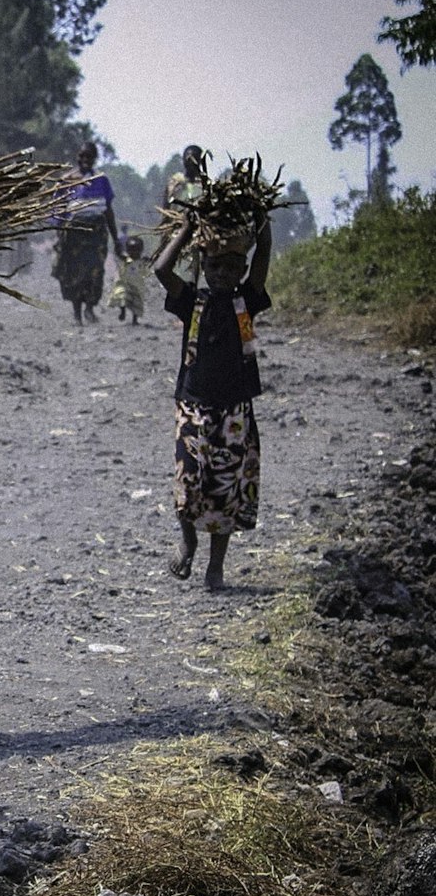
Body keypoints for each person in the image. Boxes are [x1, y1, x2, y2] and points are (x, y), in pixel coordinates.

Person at [151, 209, 272, 590]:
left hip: (235, 408)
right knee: (189, 480)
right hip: (194, 404)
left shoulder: (247, 302)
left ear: (242, 270)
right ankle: (188, 541)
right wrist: (186, 230)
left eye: (231, 268)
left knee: (228, 488)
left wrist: (262, 226)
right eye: (215, 267)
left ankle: (215, 566)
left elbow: (263, 257)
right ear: (203, 266)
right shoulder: (192, 300)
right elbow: (161, 270)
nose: (222, 275)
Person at [50, 140, 124, 325]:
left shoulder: (101, 181)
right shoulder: (67, 180)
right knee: (74, 273)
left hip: (96, 234)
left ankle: (90, 308)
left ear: (95, 158)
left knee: (95, 272)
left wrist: (116, 239)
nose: (85, 159)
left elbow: (108, 210)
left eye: (89, 156)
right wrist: (59, 235)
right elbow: (59, 210)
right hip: (74, 233)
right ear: (77, 156)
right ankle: (77, 314)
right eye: (82, 155)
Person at [164, 144, 205, 284]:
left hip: (199, 232)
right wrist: (165, 237)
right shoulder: (175, 182)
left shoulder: (204, 184)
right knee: (176, 264)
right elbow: (167, 210)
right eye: (187, 159)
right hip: (177, 230)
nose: (190, 162)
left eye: (194, 159)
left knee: (195, 266)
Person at [107, 234, 147, 325]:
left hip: (137, 286)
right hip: (124, 284)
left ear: (141, 250)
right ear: (127, 250)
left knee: (136, 304)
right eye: (131, 250)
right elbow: (118, 253)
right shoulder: (125, 259)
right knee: (123, 297)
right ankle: (123, 311)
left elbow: (153, 261)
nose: (134, 253)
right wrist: (117, 244)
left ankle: (135, 320)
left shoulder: (142, 261)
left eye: (136, 250)